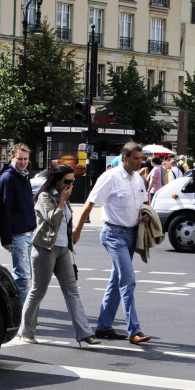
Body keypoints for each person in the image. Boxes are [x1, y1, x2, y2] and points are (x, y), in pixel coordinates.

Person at [72, 141, 152, 345]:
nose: (139, 162)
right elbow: (90, 202)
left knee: (117, 281)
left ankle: (104, 326)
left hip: (131, 234)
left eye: (140, 158)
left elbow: (142, 204)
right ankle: (134, 330)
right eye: (135, 158)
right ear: (124, 158)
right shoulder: (110, 177)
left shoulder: (137, 179)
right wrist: (78, 229)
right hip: (114, 235)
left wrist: (144, 216)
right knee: (128, 280)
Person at [18, 164, 100, 346]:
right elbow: (53, 219)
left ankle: (84, 333)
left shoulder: (64, 195)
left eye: (73, 181)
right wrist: (62, 200)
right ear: (57, 181)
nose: (71, 185)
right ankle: (26, 331)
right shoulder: (44, 197)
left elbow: (67, 221)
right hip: (45, 248)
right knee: (38, 291)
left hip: (63, 250)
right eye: (67, 181)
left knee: (72, 292)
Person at [0, 143, 37, 301]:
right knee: (22, 276)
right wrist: (6, 237)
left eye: (26, 159)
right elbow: (4, 209)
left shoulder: (24, 175)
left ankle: (20, 311)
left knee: (27, 275)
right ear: (12, 157)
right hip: (18, 234)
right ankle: (20, 314)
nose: (23, 162)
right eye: (19, 159)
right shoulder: (8, 178)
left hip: (28, 232)